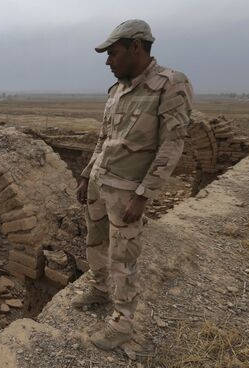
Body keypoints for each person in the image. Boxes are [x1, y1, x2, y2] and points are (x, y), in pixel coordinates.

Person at [72, 19, 193, 350]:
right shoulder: (118, 90)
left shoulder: (171, 85)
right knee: (95, 241)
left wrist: (144, 195)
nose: (108, 62)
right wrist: (86, 175)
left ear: (136, 48)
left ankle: (123, 323)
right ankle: (98, 289)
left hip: (128, 189)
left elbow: (172, 145)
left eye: (113, 53)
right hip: (100, 182)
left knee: (123, 257)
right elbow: (104, 138)